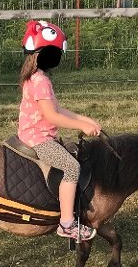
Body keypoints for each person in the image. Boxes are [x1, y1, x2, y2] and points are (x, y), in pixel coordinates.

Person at [17, 20, 103, 241]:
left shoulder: (38, 78)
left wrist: (85, 119)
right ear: (45, 54)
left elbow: (57, 108)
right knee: (72, 167)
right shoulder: (41, 82)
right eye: (56, 53)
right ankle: (66, 224)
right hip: (38, 138)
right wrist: (81, 126)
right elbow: (52, 116)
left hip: (37, 133)